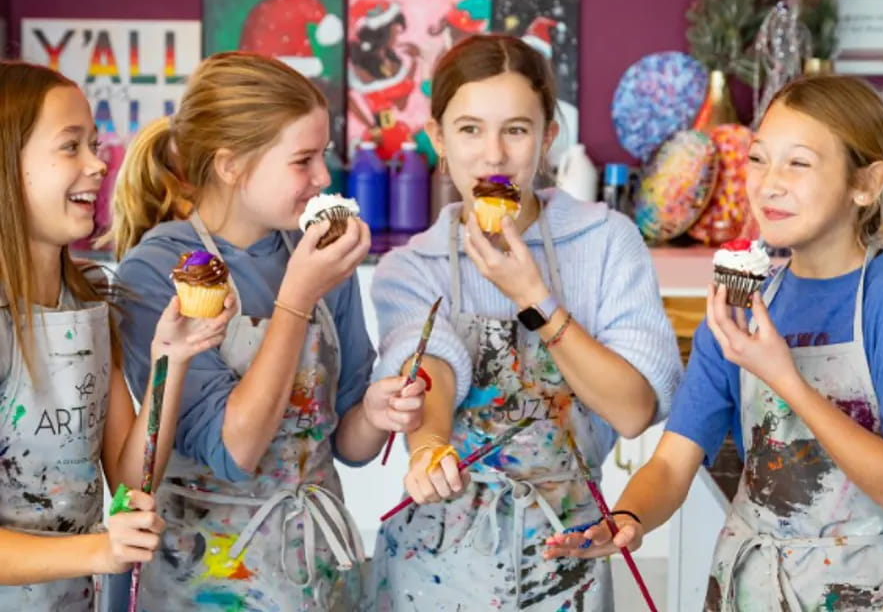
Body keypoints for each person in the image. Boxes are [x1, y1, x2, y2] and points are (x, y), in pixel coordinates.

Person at [547, 75, 883, 610]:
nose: (768, 183)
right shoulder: (742, 303)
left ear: (866, 183)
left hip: (868, 589)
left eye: (798, 163)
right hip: (750, 588)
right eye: (757, 159)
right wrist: (627, 518)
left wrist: (783, 378)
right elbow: (672, 463)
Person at [367, 35, 682, 610]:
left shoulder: (608, 241)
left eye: (516, 129)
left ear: (547, 138)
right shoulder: (409, 267)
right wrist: (429, 446)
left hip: (567, 554)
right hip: (436, 563)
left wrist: (534, 297)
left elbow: (633, 411)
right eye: (469, 130)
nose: (493, 156)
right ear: (438, 139)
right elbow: (427, 360)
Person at [111, 52, 426, 610]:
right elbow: (235, 450)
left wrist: (375, 414)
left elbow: (347, 447)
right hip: (206, 578)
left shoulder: (316, 257)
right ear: (231, 165)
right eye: (302, 160)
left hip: (317, 574)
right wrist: (296, 298)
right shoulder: (162, 271)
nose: (324, 178)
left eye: (322, 155)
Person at [0, 61, 233, 610]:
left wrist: (167, 363)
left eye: (95, 144)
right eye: (70, 146)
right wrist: (100, 552)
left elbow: (131, 481)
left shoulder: (90, 307)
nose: (98, 164)